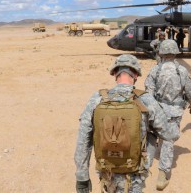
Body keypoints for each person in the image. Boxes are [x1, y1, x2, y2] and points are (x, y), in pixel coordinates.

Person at [74, 54, 175, 193]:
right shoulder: (145, 99)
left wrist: (82, 176)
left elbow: (83, 139)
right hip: (134, 173)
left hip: (106, 169)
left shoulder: (97, 99)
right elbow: (168, 133)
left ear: (115, 73)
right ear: (135, 75)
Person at [144, 39, 191, 190]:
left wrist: (152, 110)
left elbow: (148, 92)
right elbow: (190, 92)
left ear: (161, 52)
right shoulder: (182, 71)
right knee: (168, 141)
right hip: (174, 112)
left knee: (152, 136)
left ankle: (144, 167)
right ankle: (163, 175)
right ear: (175, 52)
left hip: (156, 111)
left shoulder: (155, 70)